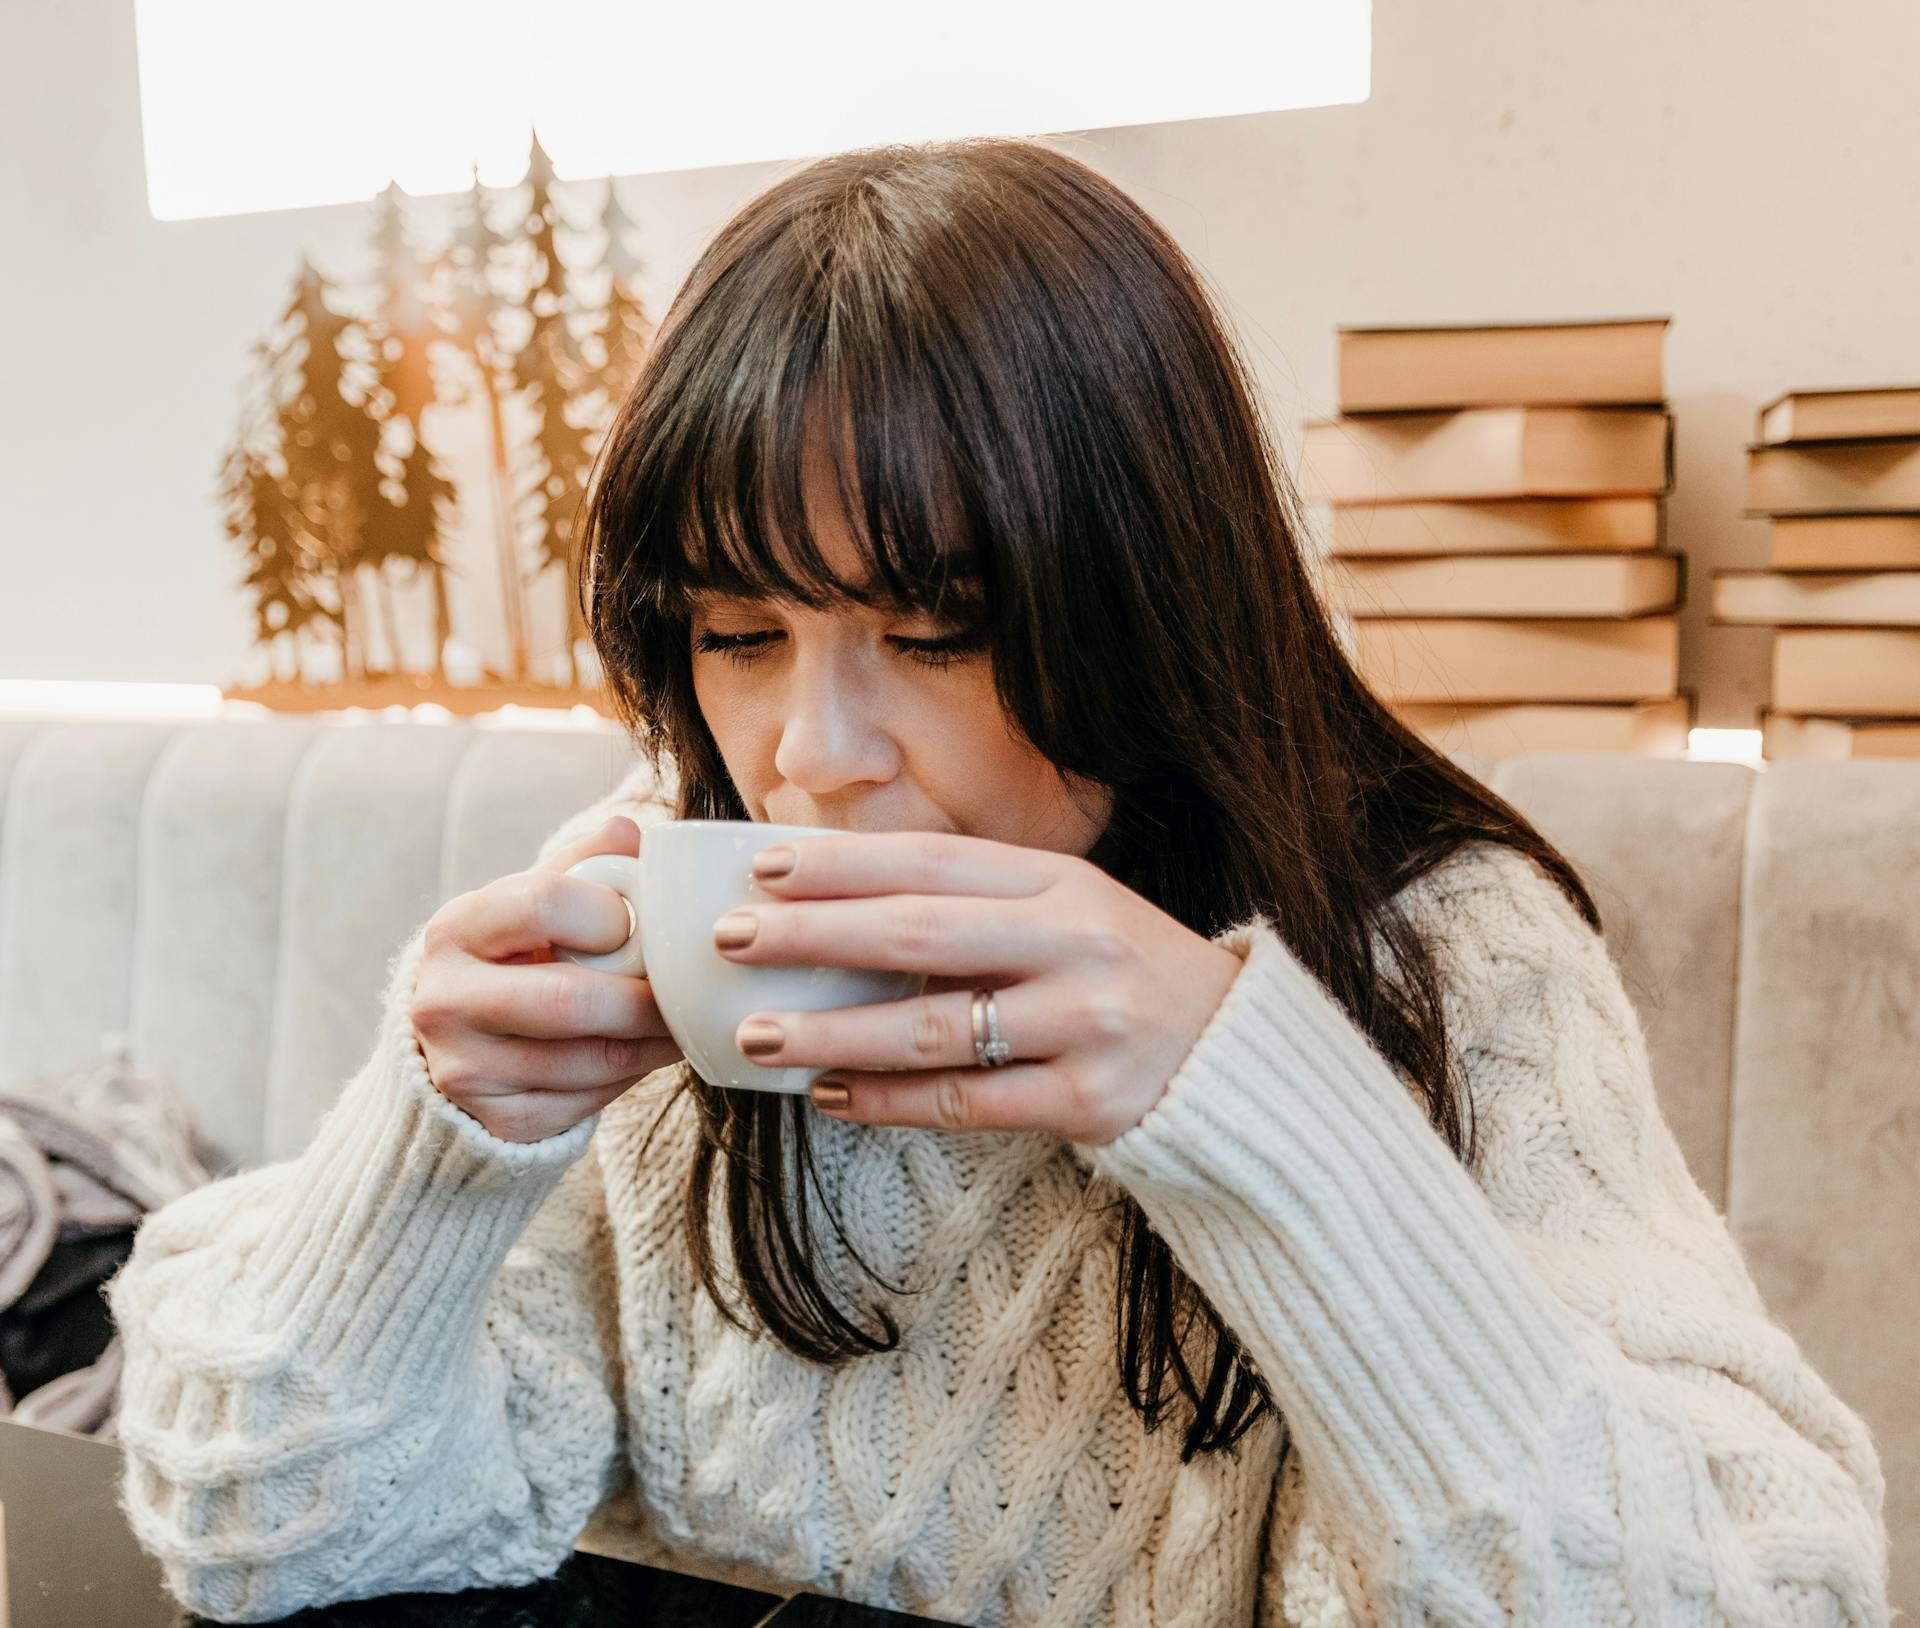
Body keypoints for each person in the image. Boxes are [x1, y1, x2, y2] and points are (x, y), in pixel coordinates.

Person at [104, 137, 1889, 1628]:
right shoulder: (686, 933)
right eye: (741, 633)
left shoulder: (1442, 948)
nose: (814, 751)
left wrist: (1260, 1117)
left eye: (938, 628)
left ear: (1144, 606)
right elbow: (269, 1532)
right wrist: (428, 1154)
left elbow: (1760, 1594)